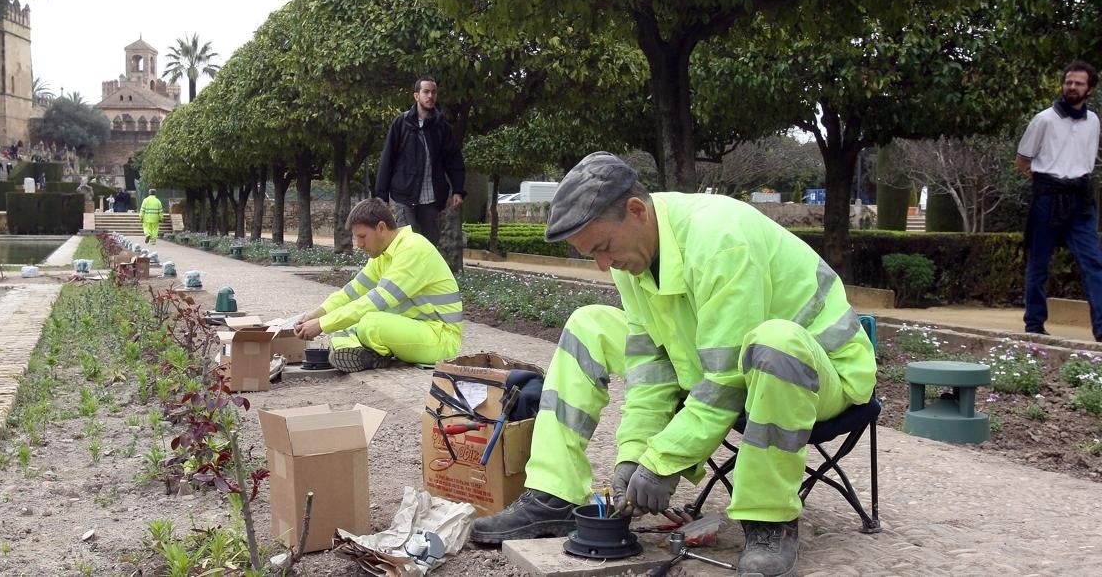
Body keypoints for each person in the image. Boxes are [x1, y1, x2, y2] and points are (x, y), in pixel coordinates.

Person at [471, 152, 877, 577]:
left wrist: (663, 462)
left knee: (774, 341)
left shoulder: (721, 238)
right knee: (587, 324)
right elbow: (651, 367)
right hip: (718, 359)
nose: (603, 265)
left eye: (604, 247)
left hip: (819, 371)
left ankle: (770, 520)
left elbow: (725, 380)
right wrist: (633, 457)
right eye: (592, 254)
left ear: (636, 210)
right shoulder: (635, 255)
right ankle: (553, 495)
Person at [293, 198, 462, 373]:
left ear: (381, 228)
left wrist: (321, 324)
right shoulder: (383, 254)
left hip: (441, 339)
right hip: (413, 329)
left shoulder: (413, 249)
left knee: (369, 322)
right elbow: (351, 293)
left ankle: (372, 353)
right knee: (342, 325)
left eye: (362, 237)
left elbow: (376, 301)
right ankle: (364, 354)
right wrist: (316, 314)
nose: (359, 244)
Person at [1016, 60, 1102, 340]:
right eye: (1068, 82)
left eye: (1078, 83)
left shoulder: (1094, 121)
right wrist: (1046, 183)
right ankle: (1034, 326)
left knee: (1093, 263)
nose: (1072, 87)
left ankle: (1101, 329)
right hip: (1049, 197)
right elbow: (1023, 160)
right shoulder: (1044, 119)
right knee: (1039, 264)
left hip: (1081, 198)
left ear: (1090, 88)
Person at [374, 76, 465, 245]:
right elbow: (387, 159)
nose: (430, 96)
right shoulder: (401, 123)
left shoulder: (442, 126)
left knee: (428, 247)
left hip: (431, 199)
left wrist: (458, 189)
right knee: (408, 244)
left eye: (433, 92)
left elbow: (453, 158)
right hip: (404, 196)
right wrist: (381, 196)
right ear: (417, 96)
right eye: (426, 92)